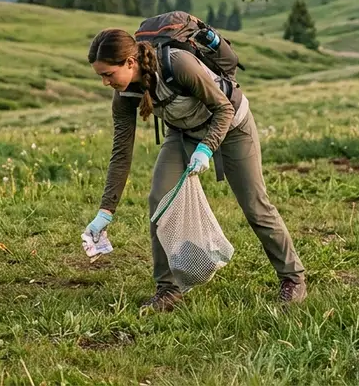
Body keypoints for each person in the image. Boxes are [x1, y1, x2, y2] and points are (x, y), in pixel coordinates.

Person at [84, 27, 306, 311]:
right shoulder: (125, 94)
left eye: (108, 74)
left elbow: (224, 109)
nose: (105, 82)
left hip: (232, 127)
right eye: (100, 76)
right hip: (183, 132)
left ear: (130, 62)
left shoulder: (178, 64)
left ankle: (293, 278)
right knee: (159, 201)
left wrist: (206, 148)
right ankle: (168, 290)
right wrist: (105, 212)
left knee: (255, 206)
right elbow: (121, 153)